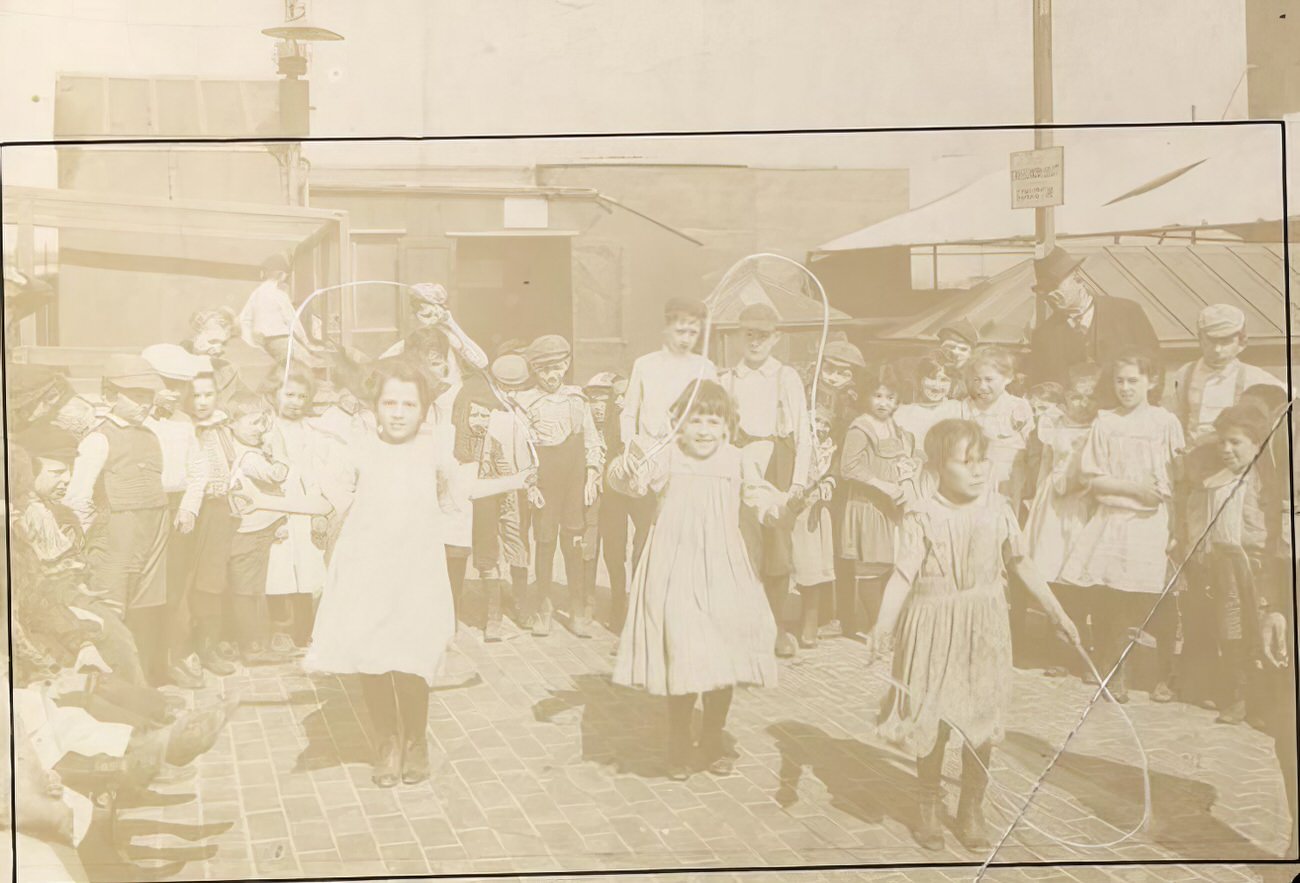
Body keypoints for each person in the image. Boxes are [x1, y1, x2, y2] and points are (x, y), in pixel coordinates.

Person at [304, 361, 530, 788]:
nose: (399, 412)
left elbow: (465, 490)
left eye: (409, 404)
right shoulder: (358, 448)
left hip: (416, 570)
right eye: (390, 402)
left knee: (411, 659)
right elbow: (327, 502)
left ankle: (416, 741)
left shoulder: (435, 451)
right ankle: (387, 741)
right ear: (375, 406)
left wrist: (516, 480)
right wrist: (265, 501)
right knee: (373, 658)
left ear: (424, 409)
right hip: (367, 568)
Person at [867, 418, 1081, 852]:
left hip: (984, 625)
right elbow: (902, 576)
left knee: (980, 720)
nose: (979, 468)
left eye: (983, 459)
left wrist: (1057, 611)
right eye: (966, 461)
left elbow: (1020, 563)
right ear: (939, 466)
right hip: (932, 625)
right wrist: (883, 625)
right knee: (933, 718)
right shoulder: (922, 514)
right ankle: (927, 804)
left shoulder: (998, 509)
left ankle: (971, 808)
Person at [609, 379, 779, 780]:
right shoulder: (666, 455)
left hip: (724, 563)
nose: (704, 429)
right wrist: (626, 466)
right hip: (674, 565)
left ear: (728, 426)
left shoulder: (738, 459)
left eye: (714, 420)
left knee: (723, 652)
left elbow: (760, 499)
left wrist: (780, 505)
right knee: (682, 651)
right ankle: (679, 739)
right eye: (695, 420)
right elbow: (627, 484)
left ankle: (714, 734)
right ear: (679, 424)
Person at [1058, 350, 1185, 704]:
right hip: (1113, 519)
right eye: (1120, 381)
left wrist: (1176, 526)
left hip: (1153, 522)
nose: (1126, 388)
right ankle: (1115, 672)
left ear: (1152, 382)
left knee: (1155, 597)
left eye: (1134, 381)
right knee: (1111, 597)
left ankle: (1164, 674)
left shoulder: (1165, 423)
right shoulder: (1106, 422)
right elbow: (1092, 477)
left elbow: (1178, 478)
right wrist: (1133, 489)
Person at [62, 355, 172, 686]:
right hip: (115, 539)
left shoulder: (151, 435)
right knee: (110, 615)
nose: (145, 403)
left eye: (148, 396)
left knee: (147, 611)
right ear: (110, 395)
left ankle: (142, 686)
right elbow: (78, 497)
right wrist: (79, 545)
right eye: (136, 395)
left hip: (153, 534)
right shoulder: (99, 438)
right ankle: (111, 691)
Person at [719, 303, 814, 658]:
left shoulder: (785, 377)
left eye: (763, 336)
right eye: (749, 335)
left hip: (776, 467)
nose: (755, 342)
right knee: (742, 549)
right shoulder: (726, 379)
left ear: (775, 339)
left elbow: (803, 431)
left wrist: (799, 482)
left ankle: (776, 627)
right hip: (737, 465)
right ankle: (744, 628)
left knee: (777, 551)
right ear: (738, 336)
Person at [1182, 404, 1272, 724]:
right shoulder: (1214, 482)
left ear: (1257, 445)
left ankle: (1265, 700)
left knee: (1261, 629)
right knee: (1231, 631)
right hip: (1224, 565)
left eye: (1236, 443)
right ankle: (1239, 696)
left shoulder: (1266, 483)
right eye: (1223, 442)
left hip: (1258, 566)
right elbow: (1199, 523)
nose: (1227, 449)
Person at [514, 335, 605, 637]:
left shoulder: (578, 399)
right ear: (534, 372)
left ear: (566, 365)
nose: (551, 376)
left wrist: (592, 474)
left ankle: (577, 609)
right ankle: (544, 607)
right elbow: (522, 450)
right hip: (545, 482)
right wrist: (530, 485)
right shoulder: (526, 403)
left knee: (573, 543)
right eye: (543, 370)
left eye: (556, 368)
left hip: (574, 480)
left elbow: (592, 439)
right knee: (544, 542)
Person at [621, 296, 717, 571]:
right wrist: (630, 448)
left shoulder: (705, 367)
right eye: (681, 331)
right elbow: (629, 412)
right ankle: (640, 606)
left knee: (685, 537)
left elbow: (716, 417)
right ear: (667, 328)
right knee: (646, 534)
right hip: (648, 461)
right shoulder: (645, 364)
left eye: (693, 332)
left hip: (688, 462)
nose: (687, 338)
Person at [139, 344, 212, 689]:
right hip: (142, 510)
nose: (175, 393)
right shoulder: (137, 420)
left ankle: (174, 657)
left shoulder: (184, 423)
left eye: (181, 386)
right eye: (167, 383)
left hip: (176, 509)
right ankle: (144, 662)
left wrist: (188, 507)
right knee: (144, 587)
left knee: (175, 588)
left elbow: (198, 470)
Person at [837, 362, 921, 642]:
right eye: (878, 396)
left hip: (891, 508)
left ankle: (888, 625)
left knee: (890, 566)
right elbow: (848, 467)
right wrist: (883, 485)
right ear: (866, 396)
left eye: (890, 397)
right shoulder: (861, 427)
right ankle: (876, 626)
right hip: (868, 506)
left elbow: (914, 454)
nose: (883, 403)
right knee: (870, 569)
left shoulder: (896, 428)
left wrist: (910, 467)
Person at [1025, 385, 1098, 680]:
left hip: (1087, 503)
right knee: (1055, 574)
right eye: (1075, 396)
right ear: (1065, 399)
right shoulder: (1053, 425)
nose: (1082, 403)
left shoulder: (1100, 425)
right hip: (1056, 505)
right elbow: (1045, 463)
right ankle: (1059, 651)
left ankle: (1087, 650)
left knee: (1084, 576)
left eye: (1088, 396)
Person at [262, 367, 338, 652]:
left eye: (301, 396)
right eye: (289, 394)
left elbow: (317, 472)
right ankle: (279, 629)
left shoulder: (312, 431)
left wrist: (319, 510)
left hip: (306, 504)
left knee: (309, 567)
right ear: (273, 394)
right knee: (278, 566)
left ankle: (305, 629)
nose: (295, 401)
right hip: (277, 504)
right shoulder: (266, 428)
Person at [1168, 303, 1285, 482]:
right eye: (1211, 341)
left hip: (1232, 468)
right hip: (1192, 466)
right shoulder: (1185, 374)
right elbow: (1173, 419)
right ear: (1200, 339)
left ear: (1242, 342)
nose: (1217, 350)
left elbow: (1290, 403)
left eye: (1226, 342)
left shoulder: (1253, 377)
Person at [452, 376, 530, 642]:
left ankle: (519, 602)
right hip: (474, 507)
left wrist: (512, 485)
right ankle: (493, 615)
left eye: (486, 416)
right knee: (486, 555)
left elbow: (506, 468)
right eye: (475, 415)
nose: (481, 422)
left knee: (515, 541)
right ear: (464, 414)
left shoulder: (493, 441)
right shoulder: (457, 447)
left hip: (501, 499)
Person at [224, 392, 293, 666]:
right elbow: (277, 474)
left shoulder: (242, 449)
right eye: (254, 423)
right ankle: (252, 647)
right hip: (251, 532)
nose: (261, 430)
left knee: (256, 588)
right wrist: (280, 450)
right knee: (247, 590)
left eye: (264, 423)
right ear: (233, 423)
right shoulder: (247, 458)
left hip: (260, 528)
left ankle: (255, 642)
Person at [1026, 247, 1159, 388]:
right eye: (1044, 289)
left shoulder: (1127, 313)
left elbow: (1155, 367)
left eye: (1054, 285)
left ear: (1078, 280)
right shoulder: (1043, 336)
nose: (1050, 294)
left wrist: (1144, 407)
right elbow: (1043, 390)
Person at [580, 372, 632, 632]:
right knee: (588, 549)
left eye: (604, 402)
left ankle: (618, 604)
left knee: (615, 552)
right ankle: (587, 601)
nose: (598, 408)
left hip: (614, 499)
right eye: (594, 402)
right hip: (590, 497)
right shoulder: (582, 428)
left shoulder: (621, 429)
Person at [958, 345, 1034, 511]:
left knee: (1005, 517)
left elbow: (1030, 445)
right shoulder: (967, 407)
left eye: (989, 380)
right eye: (976, 380)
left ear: (1007, 379)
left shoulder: (1017, 407)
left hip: (1008, 477)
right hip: (975, 475)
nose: (982, 386)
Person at [378, 283, 489, 386]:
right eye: (418, 312)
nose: (426, 320)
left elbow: (481, 362)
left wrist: (451, 323)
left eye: (428, 312)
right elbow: (381, 363)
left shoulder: (448, 337)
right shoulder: (413, 339)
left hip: (448, 394)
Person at [238, 253, 316, 365]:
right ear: (281, 275)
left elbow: (244, 320)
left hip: (264, 343)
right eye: (286, 274)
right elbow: (292, 321)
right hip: (281, 341)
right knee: (312, 363)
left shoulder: (256, 293)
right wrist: (306, 342)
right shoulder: (280, 295)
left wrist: (251, 343)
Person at [895, 351, 962, 455]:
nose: (937, 386)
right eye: (931, 378)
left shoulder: (958, 409)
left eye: (944, 380)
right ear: (919, 380)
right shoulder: (902, 413)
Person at [935, 319, 979, 399]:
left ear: (970, 354)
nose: (956, 353)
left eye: (963, 349)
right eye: (950, 347)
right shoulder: (933, 372)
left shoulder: (977, 378)